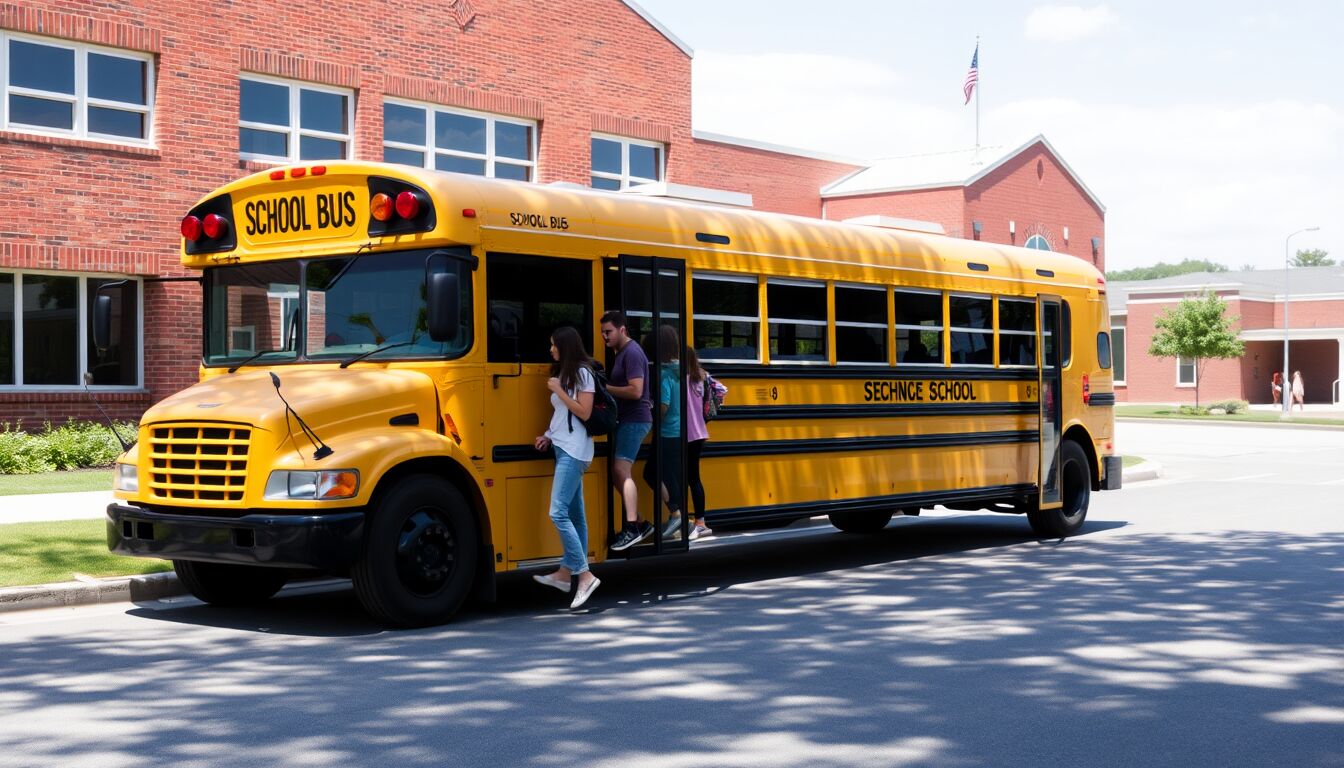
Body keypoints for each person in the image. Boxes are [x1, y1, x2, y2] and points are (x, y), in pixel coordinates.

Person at [531, 326, 601, 609]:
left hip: (575, 451)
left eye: (554, 345)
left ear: (565, 346)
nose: (551, 350)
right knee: (576, 516)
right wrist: (548, 435)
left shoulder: (583, 373)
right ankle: (563, 575)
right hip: (563, 447)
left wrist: (558, 389)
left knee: (557, 512)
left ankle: (584, 575)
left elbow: (584, 411)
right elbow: (563, 414)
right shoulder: (567, 373)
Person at [601, 311, 655, 551]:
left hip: (635, 419)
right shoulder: (621, 352)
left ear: (622, 329)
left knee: (621, 470)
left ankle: (633, 527)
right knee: (617, 474)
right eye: (602, 332)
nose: (605, 336)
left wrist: (605, 388)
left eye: (609, 332)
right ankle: (641, 523)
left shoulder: (632, 353)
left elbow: (636, 391)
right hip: (627, 419)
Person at [641, 325, 685, 540]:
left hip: (666, 433)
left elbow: (664, 406)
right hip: (679, 431)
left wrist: (650, 414)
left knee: (653, 473)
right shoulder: (679, 370)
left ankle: (676, 513)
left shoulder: (664, 374)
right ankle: (677, 514)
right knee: (666, 474)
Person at [685, 344, 726, 540]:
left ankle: (688, 520)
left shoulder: (681, 378)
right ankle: (700, 521)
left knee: (685, 478)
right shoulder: (701, 377)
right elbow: (722, 389)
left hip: (686, 433)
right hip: (700, 432)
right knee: (694, 478)